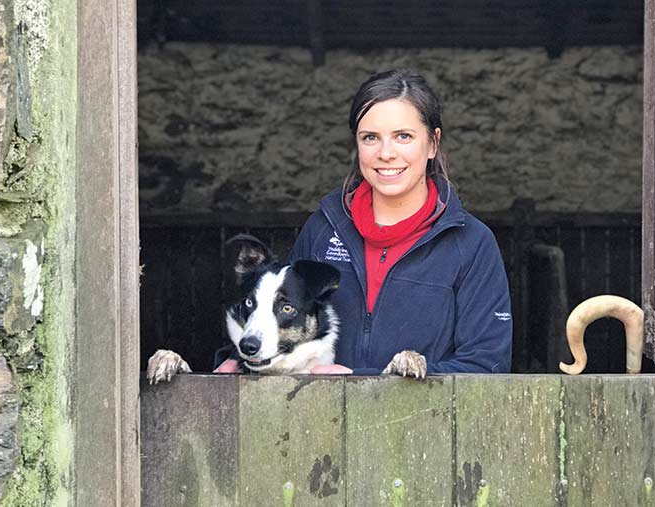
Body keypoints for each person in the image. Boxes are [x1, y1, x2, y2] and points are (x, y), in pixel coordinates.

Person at [218, 70, 512, 376]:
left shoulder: (472, 243)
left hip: (429, 422)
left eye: (403, 136)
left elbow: (486, 365)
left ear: (432, 144)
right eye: (370, 137)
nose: (385, 153)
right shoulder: (323, 228)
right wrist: (234, 362)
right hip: (318, 418)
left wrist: (360, 384)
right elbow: (276, 327)